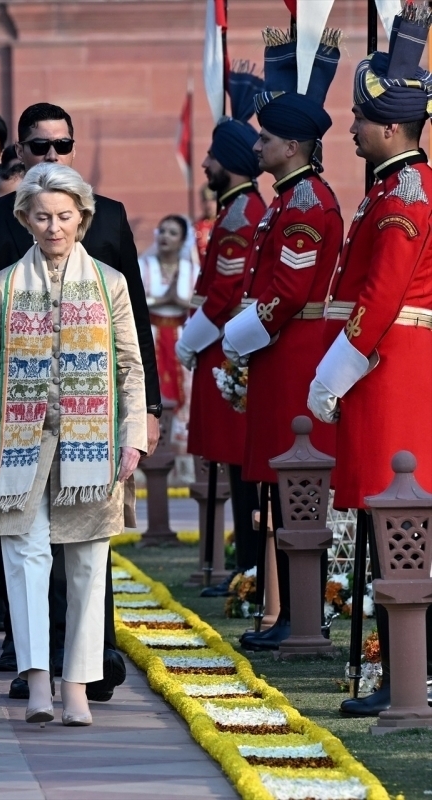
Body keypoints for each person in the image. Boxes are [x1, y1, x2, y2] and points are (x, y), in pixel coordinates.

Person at [0, 101, 159, 701]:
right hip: (18, 432)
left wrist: (139, 425)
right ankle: (35, 669)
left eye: (64, 216)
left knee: (88, 560)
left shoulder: (110, 261)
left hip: (91, 427)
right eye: (41, 216)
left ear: (82, 217)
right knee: (25, 557)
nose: (53, 226)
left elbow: (133, 346)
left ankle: (85, 673)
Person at [307, 5, 432, 716]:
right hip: (389, 368)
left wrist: (336, 370)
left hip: (394, 372)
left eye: (359, 117)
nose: (349, 127)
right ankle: (399, 670)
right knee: (392, 530)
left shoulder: (404, 195)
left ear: (390, 127)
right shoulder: (389, 187)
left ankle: (409, 674)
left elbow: (381, 297)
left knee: (399, 527)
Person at [223, 25, 342, 653]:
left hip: (293, 352)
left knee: (296, 493)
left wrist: (238, 335)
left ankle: (302, 617)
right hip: (280, 353)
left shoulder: (304, 205)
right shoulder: (289, 199)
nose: (258, 145)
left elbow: (288, 294)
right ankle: (285, 613)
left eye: (266, 138)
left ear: (292, 146)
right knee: (278, 489)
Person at [175, 67, 267, 598]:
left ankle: (251, 570)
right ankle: (244, 567)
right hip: (225, 350)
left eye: (212, 156)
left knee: (244, 472)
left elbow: (225, 296)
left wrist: (190, 341)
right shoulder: (236, 209)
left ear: (229, 165)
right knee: (235, 471)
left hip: (227, 351)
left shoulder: (237, 217)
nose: (205, 163)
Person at [139, 214, 198, 409]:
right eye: (162, 231)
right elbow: (132, 301)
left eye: (173, 233)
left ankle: (180, 437)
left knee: (186, 388)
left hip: (182, 336)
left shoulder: (192, 270)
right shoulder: (144, 266)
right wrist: (162, 300)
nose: (165, 236)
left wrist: (181, 302)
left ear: (182, 240)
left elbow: (201, 305)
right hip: (151, 333)